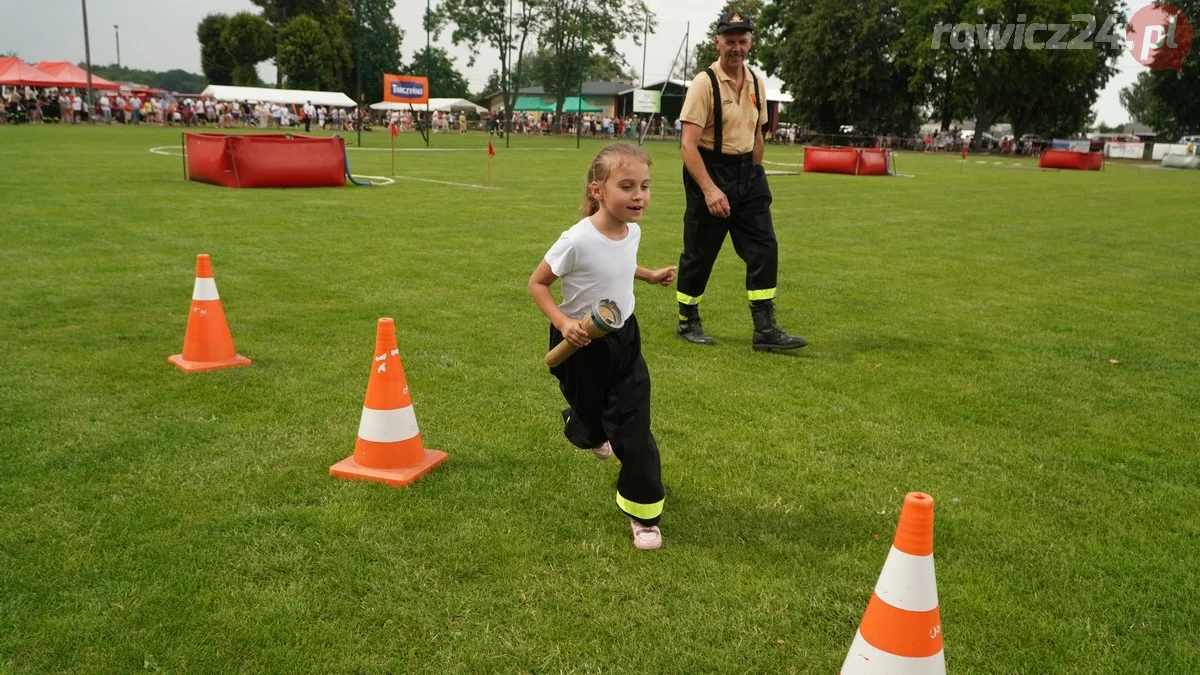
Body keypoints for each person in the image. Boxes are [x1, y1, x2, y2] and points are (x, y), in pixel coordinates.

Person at [527, 143, 677, 551]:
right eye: (627, 186)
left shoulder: (634, 230)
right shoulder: (576, 239)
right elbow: (537, 283)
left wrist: (647, 276)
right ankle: (588, 426)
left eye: (644, 186)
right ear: (598, 190)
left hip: (624, 338)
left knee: (633, 424)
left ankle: (643, 513)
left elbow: (621, 262)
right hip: (579, 344)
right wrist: (564, 323)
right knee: (592, 414)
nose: (638, 196)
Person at [675, 11, 807, 352]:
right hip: (710, 168)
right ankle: (687, 320)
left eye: (742, 40)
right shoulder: (704, 83)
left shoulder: (757, 82)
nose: (736, 47)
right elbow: (687, 145)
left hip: (747, 173)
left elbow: (757, 134)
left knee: (764, 246)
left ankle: (765, 328)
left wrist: (754, 173)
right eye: (730, 40)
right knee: (701, 251)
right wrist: (709, 189)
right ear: (717, 42)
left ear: (750, 43)